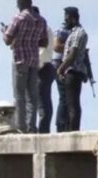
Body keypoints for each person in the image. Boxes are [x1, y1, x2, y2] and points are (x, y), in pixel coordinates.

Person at [3, 0, 49, 133]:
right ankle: (31, 127)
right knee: (32, 97)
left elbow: (7, 40)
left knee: (19, 95)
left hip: (19, 59)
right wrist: (31, 40)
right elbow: (44, 42)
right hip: (33, 60)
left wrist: (5, 31)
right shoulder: (41, 20)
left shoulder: (18, 18)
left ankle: (20, 127)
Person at [56, 7, 88, 132]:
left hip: (73, 72)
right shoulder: (74, 32)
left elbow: (73, 54)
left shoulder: (78, 33)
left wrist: (61, 68)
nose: (65, 20)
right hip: (73, 71)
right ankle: (71, 129)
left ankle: (73, 131)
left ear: (73, 18)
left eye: (67, 17)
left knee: (72, 105)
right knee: (71, 104)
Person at [33, 6, 56, 134]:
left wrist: (33, 67)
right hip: (44, 67)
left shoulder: (43, 29)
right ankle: (42, 129)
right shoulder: (43, 28)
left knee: (43, 103)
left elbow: (42, 53)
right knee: (43, 101)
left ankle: (43, 130)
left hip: (43, 67)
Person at [52, 21, 72, 132]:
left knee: (67, 97)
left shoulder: (72, 32)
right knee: (64, 96)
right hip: (60, 63)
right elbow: (56, 46)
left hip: (64, 64)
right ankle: (61, 124)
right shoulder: (62, 30)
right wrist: (71, 47)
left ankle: (65, 124)